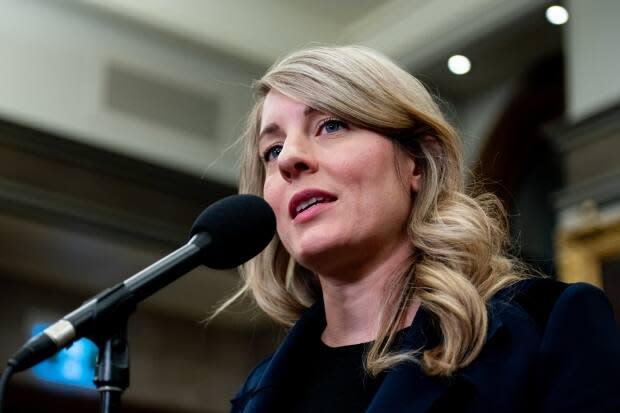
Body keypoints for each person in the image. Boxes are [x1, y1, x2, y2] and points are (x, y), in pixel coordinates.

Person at [220, 45, 620, 412]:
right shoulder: (255, 393)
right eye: (271, 151)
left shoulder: (547, 327)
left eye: (331, 125)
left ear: (417, 160)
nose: (289, 157)